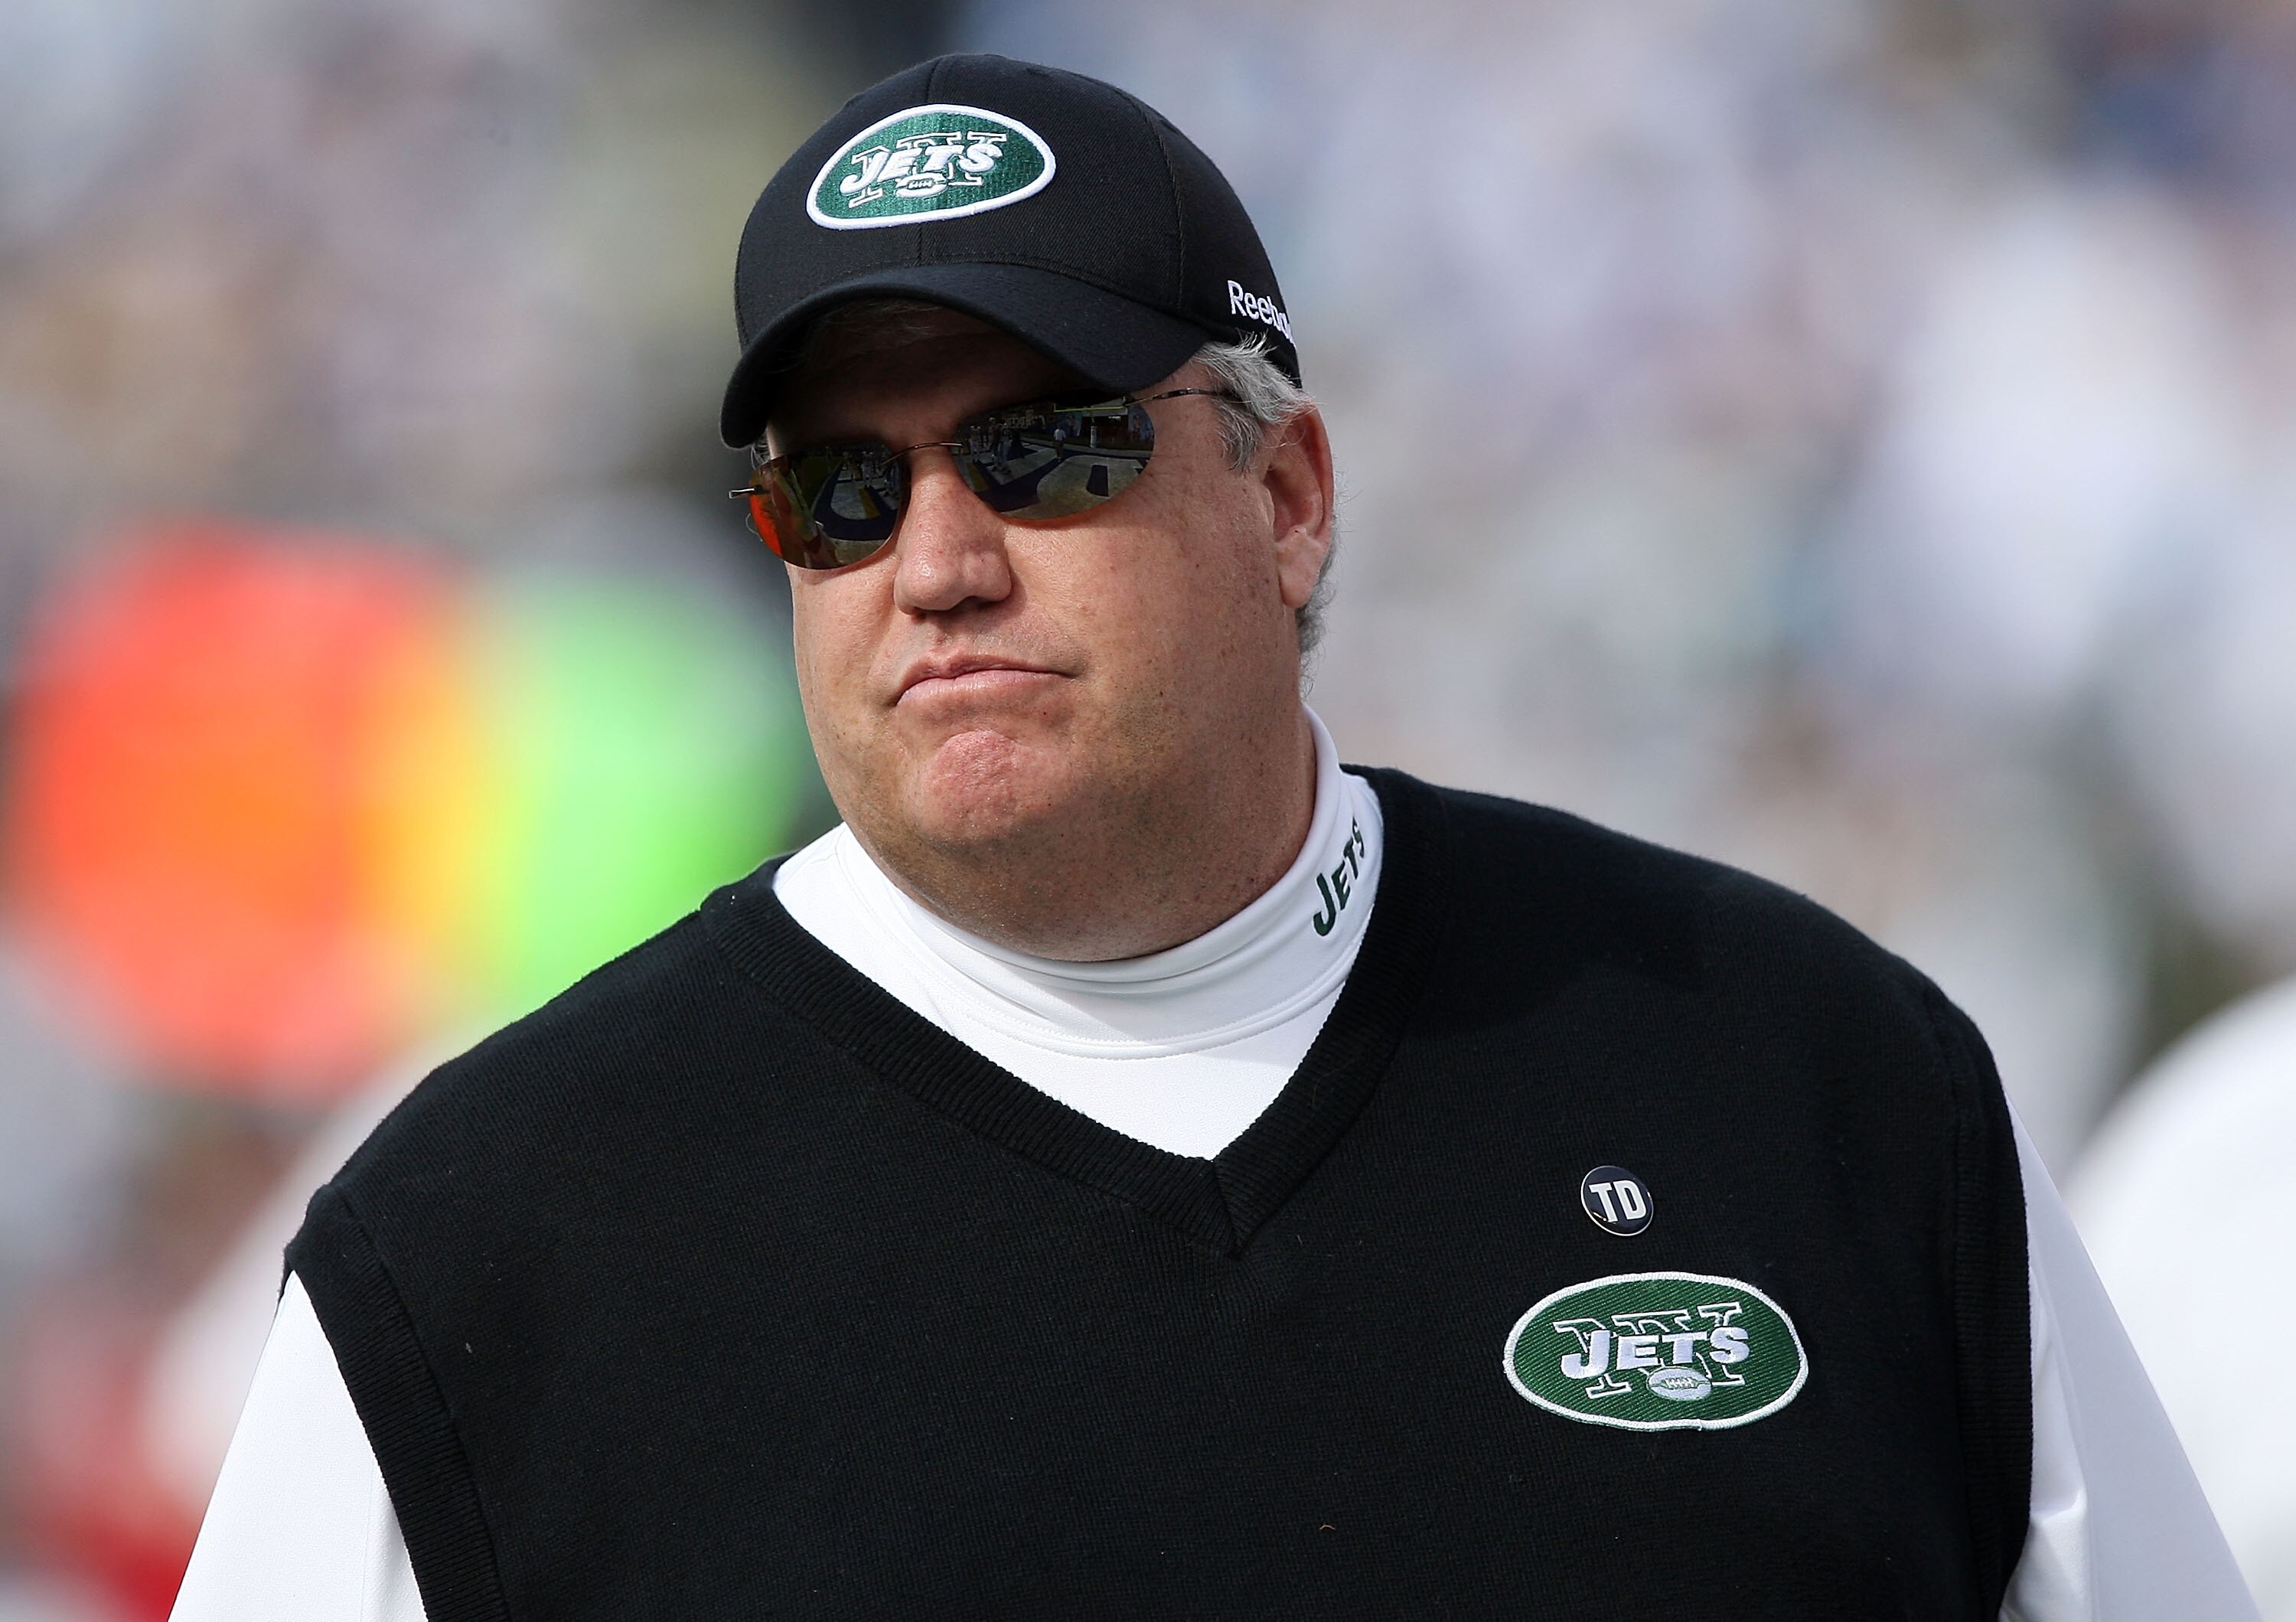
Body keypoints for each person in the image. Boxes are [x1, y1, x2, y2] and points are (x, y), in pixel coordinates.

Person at [172, 54, 2255, 1620]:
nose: (941, 563)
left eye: (1043, 447)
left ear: (1289, 498)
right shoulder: (483, 1248)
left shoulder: (1809, 1078)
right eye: (843, 494)